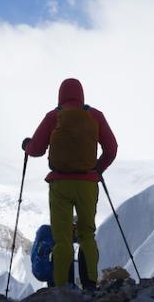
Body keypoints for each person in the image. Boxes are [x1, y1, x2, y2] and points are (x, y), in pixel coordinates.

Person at [22, 78, 117, 290]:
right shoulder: (95, 116)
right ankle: (90, 286)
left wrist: (27, 145)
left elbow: (36, 149)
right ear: (81, 94)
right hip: (87, 185)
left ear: (60, 94)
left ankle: (61, 288)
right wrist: (97, 170)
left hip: (60, 184)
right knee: (87, 235)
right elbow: (112, 149)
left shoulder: (53, 116)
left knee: (62, 238)